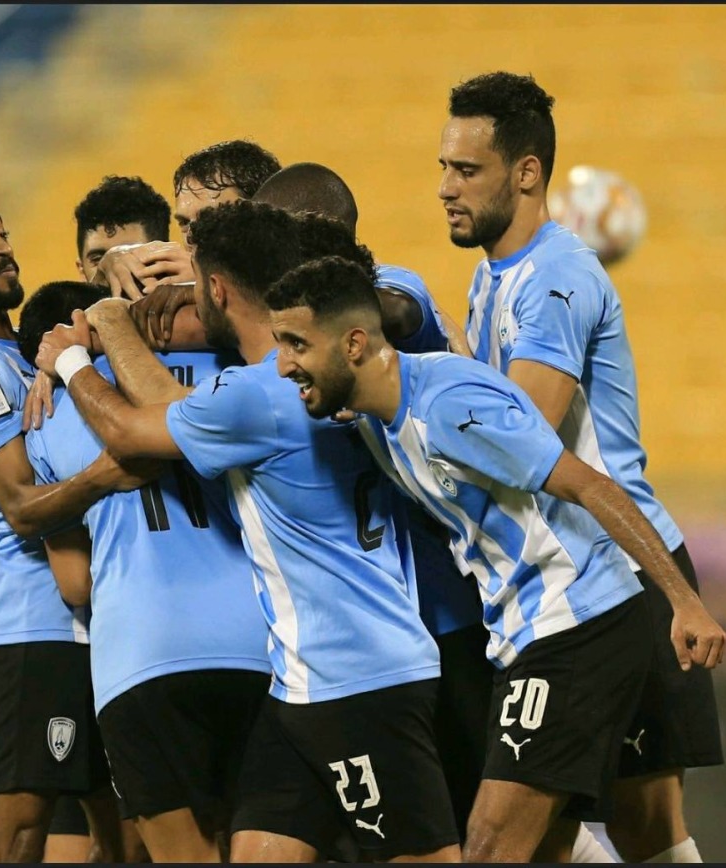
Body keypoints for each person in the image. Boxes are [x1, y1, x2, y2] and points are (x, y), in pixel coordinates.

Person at [263, 254, 726, 864]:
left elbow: (589, 485)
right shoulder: (378, 421)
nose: (283, 364)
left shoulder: (451, 406)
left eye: (297, 344)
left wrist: (683, 600)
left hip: (576, 622)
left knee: (489, 846)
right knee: (550, 847)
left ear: (353, 344)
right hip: (525, 634)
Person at [36, 201, 462, 863]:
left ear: (217, 289)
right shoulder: (330, 374)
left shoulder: (262, 393)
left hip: (360, 674)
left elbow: (133, 428)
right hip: (298, 683)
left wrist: (86, 346)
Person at [439, 70, 725, 864]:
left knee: (623, 825)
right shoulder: (493, 274)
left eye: (467, 170)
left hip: (619, 571)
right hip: (573, 574)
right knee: (571, 829)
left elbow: (519, 432)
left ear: (527, 173)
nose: (446, 188)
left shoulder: (557, 278)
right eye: (444, 168)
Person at [0, 181, 157, 863]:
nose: (1, 247)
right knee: (15, 842)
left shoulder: (23, 354)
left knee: (126, 841)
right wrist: (109, 472)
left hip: (93, 622)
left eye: (1, 231)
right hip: (33, 626)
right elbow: (18, 504)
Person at [248, 161, 492, 843]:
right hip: (353, 650)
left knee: (493, 835)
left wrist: (331, 313)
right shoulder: (286, 334)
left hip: (447, 618)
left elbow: (402, 311)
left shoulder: (389, 293)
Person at [17, 278, 270, 863]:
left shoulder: (47, 419)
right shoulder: (224, 372)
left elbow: (75, 584)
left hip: (141, 656)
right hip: (257, 644)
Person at [90, 138, 282, 300]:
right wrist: (104, 275)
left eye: (209, 218)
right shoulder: (167, 284)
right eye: (184, 223)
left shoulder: (293, 298)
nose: (191, 236)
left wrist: (205, 283)